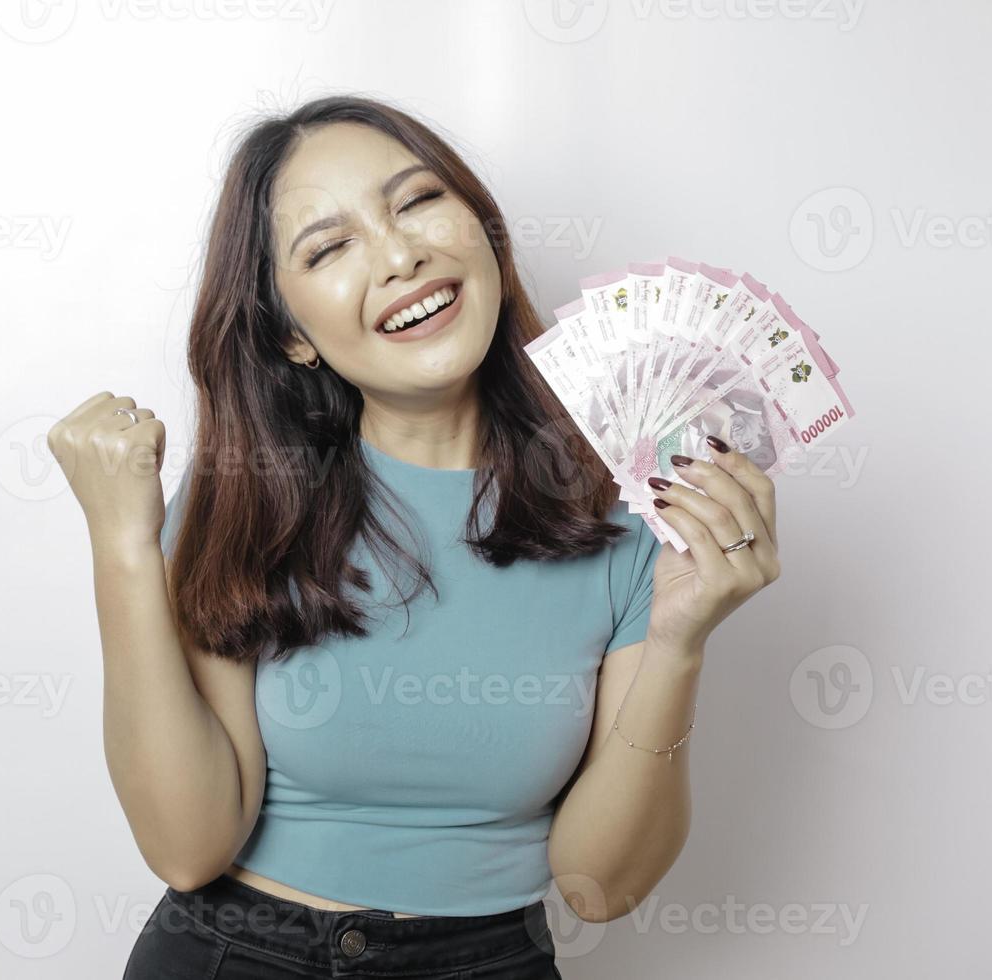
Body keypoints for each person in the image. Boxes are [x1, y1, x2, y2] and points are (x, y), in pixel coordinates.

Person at [46, 94, 781, 979]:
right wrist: (124, 550)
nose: (400, 255)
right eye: (330, 246)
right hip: (234, 954)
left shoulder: (625, 511)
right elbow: (187, 847)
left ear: (485, 232)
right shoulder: (248, 500)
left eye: (418, 202)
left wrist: (678, 641)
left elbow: (597, 886)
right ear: (291, 336)